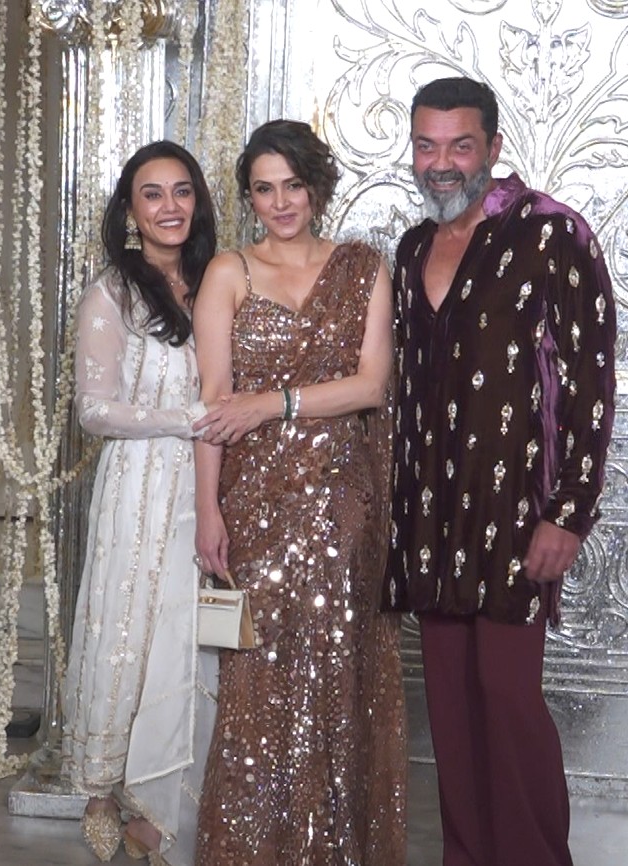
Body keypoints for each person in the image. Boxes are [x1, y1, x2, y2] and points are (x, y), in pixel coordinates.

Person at [384, 77, 617, 866]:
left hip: (516, 511)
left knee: (508, 701)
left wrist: (569, 511)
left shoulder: (552, 233)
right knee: (450, 711)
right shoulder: (412, 248)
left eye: (460, 145)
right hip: (429, 513)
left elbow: (590, 382)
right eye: (426, 145)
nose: (441, 163)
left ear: (492, 146)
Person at [189, 119, 407, 866]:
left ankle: (333, 850)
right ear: (248, 197)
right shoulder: (228, 272)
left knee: (336, 674)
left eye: (292, 185)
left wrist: (271, 404)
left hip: (342, 503)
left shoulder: (363, 267)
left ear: (316, 186)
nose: (280, 203)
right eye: (263, 189)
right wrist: (207, 511)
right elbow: (213, 404)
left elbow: (371, 386)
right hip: (253, 503)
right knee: (255, 683)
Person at [61, 140, 220, 866]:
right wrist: (188, 418)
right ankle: (104, 791)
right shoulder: (112, 293)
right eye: (151, 194)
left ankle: (167, 796)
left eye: (181, 191)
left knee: (185, 640)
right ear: (129, 209)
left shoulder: (218, 280)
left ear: (199, 201)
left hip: (207, 483)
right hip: (140, 485)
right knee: (130, 627)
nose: (169, 207)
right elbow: (94, 410)